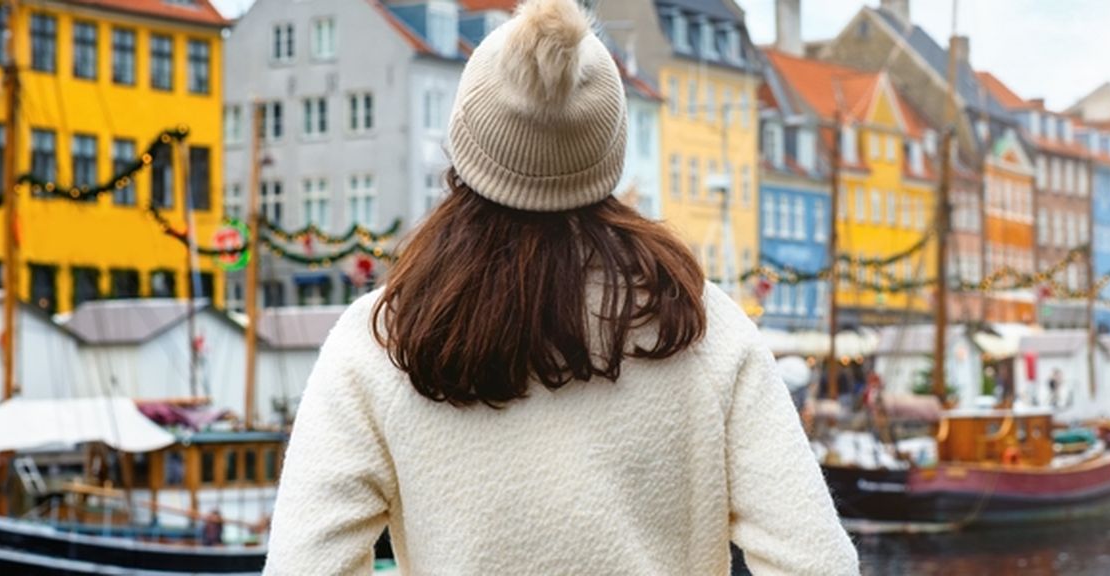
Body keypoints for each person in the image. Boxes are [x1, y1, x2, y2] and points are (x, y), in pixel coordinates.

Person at [263, 1, 858, 574]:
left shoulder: (382, 338)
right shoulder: (702, 325)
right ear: (611, 151)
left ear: (465, 142)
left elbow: (305, 565)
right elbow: (818, 562)